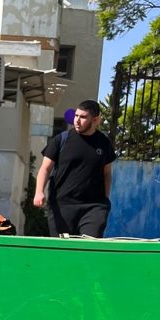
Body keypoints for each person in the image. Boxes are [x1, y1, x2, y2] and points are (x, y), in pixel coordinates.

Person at [34, 100, 115, 237]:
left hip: (94, 206)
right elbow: (45, 169)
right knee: (62, 252)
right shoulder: (61, 140)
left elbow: (107, 174)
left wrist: (105, 199)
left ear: (95, 120)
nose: (77, 120)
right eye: (76, 116)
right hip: (62, 205)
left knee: (89, 247)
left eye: (83, 117)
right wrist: (39, 192)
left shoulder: (103, 143)